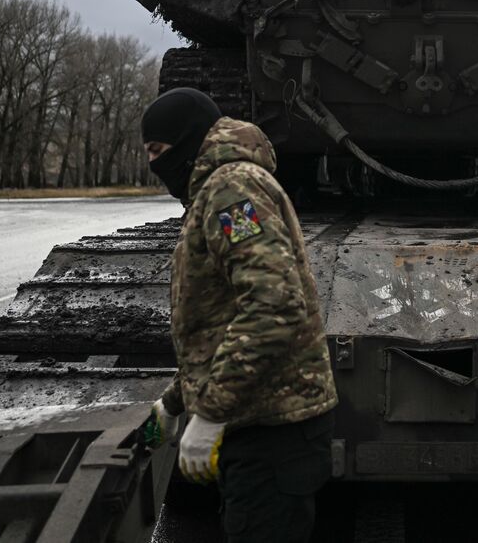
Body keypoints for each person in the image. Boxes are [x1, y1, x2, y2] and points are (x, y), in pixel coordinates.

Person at [140, 87, 337, 543]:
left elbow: (273, 303)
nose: (154, 165)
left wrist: (208, 414)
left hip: (273, 428)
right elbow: (223, 320)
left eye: (158, 151)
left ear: (187, 140)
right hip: (259, 417)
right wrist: (175, 402)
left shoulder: (231, 190)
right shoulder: (219, 187)